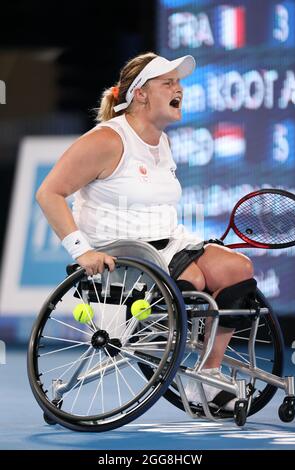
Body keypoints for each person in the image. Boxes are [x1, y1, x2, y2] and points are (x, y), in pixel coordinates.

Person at [36, 52, 256, 411]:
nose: (179, 89)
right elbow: (49, 193)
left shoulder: (162, 141)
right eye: (168, 82)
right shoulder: (107, 140)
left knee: (238, 269)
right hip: (124, 254)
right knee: (194, 279)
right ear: (140, 93)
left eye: (179, 82)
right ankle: (161, 339)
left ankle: (209, 374)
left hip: (169, 245)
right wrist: (82, 251)